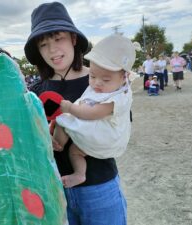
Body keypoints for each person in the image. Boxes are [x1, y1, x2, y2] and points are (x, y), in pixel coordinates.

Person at [24, 2, 127, 224]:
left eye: (58, 38)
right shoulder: (35, 92)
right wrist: (44, 139)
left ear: (73, 39)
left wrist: (78, 131)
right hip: (55, 193)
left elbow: (119, 126)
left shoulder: (102, 81)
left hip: (100, 188)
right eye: (43, 44)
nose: (52, 50)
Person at [53, 34, 135, 188]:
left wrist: (70, 108)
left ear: (124, 77)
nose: (97, 83)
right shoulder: (105, 87)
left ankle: (57, 145)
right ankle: (79, 174)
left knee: (63, 120)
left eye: (105, 80)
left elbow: (92, 113)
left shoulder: (119, 97)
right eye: (92, 76)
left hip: (105, 136)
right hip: (98, 135)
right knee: (75, 152)